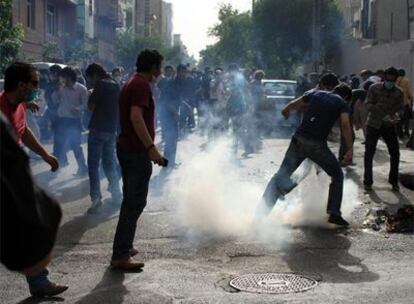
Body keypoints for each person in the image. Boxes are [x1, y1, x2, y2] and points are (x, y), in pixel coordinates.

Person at [0, 62, 67, 297]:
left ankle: (40, 282)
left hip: (12, 176)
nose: (38, 88)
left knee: (29, 225)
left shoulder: (19, 106)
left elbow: (24, 132)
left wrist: (45, 155)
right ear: (21, 85)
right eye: (35, 83)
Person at [256, 74, 353, 227]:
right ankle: (334, 212)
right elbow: (346, 126)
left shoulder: (316, 93)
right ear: (346, 96)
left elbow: (295, 103)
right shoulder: (342, 103)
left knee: (281, 175)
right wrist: (350, 149)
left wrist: (287, 109)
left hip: (298, 140)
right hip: (316, 145)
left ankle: (260, 214)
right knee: (337, 175)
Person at [111, 49, 166, 270]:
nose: (161, 72)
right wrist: (151, 148)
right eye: (159, 67)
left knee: (130, 201)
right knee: (134, 202)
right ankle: (121, 254)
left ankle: (125, 245)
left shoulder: (132, 82)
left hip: (128, 149)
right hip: (135, 152)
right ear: (153, 67)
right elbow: (136, 117)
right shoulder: (141, 85)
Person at [85, 63, 122, 214]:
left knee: (93, 166)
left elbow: (91, 106)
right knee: (109, 164)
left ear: (94, 75)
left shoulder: (100, 84)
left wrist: (90, 95)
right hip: (111, 130)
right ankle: (116, 195)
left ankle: (96, 199)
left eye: (90, 78)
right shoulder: (115, 84)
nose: (90, 81)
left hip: (98, 129)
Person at [364, 67, 405, 192]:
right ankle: (368, 182)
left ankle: (393, 181)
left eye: (393, 80)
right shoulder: (374, 88)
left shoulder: (399, 92)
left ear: (396, 79)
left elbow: (401, 108)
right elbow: (368, 105)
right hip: (373, 124)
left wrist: (397, 115)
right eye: (388, 79)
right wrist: (383, 115)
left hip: (389, 126)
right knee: (369, 153)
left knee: (395, 153)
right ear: (384, 77)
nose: (390, 82)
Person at [54, 67, 88, 176]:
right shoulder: (61, 88)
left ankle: (82, 168)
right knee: (59, 145)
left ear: (68, 77)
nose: (61, 79)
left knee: (75, 145)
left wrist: (77, 109)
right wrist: (57, 91)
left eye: (63, 77)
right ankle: (57, 169)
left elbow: (86, 105)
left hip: (74, 121)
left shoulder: (81, 89)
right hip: (62, 120)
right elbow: (55, 101)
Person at [396, 68, 413, 139]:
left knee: (398, 118)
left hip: (396, 103)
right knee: (406, 119)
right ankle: (406, 132)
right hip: (404, 103)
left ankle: (399, 133)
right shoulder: (406, 81)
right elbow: (409, 92)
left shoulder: (395, 81)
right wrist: (412, 99)